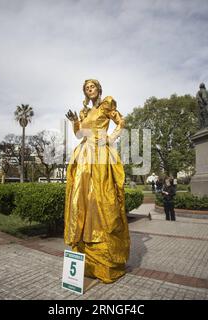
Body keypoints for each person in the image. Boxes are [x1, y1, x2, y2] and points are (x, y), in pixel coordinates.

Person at [64, 79, 130, 284]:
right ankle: (86, 257)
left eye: (91, 87)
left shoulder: (107, 104)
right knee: (82, 201)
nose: (89, 90)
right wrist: (75, 121)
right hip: (83, 155)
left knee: (103, 200)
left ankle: (106, 260)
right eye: (86, 88)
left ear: (98, 89)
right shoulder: (84, 113)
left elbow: (122, 122)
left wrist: (110, 138)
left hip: (100, 154)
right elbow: (78, 134)